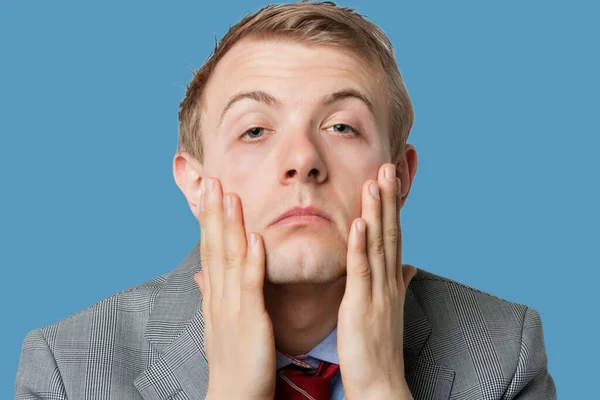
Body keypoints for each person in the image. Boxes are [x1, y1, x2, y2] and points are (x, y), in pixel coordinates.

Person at [15, 1, 556, 399]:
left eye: (342, 126)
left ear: (401, 175)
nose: (302, 159)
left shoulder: (505, 352)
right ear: (196, 183)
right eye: (255, 130)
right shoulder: (67, 369)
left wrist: (382, 388)